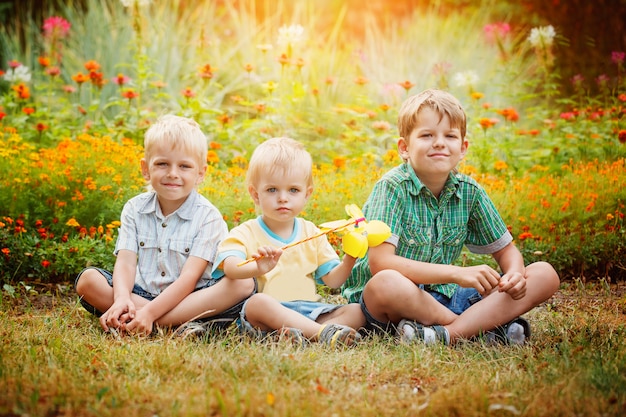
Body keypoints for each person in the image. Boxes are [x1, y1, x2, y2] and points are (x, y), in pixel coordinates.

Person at [341, 89, 560, 346]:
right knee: (386, 282)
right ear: (404, 147)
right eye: (426, 135)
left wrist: (514, 275)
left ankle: (445, 335)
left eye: (450, 136)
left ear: (463, 147)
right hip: (393, 301)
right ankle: (481, 330)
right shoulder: (392, 188)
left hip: (447, 297)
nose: (439, 143)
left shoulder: (469, 191)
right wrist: (457, 273)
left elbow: (507, 251)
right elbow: (381, 263)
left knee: (544, 274)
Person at [75, 115, 255, 336]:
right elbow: (126, 263)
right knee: (88, 281)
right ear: (146, 168)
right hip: (142, 293)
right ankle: (171, 326)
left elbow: (189, 279)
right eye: (162, 163)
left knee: (243, 283)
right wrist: (122, 298)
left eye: (184, 166)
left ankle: (146, 321)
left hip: (192, 299)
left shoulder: (208, 217)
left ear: (200, 174)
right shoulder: (134, 209)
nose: (173, 173)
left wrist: (149, 313)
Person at [211, 137, 365, 347]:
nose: (283, 198)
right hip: (268, 313)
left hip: (311, 310)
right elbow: (229, 267)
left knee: (357, 311)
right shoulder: (245, 232)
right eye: (272, 190)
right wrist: (257, 267)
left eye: (293, 190)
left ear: (306, 194)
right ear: (255, 195)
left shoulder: (311, 232)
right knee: (257, 303)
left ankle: (296, 335)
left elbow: (333, 281)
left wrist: (350, 256)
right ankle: (321, 334)